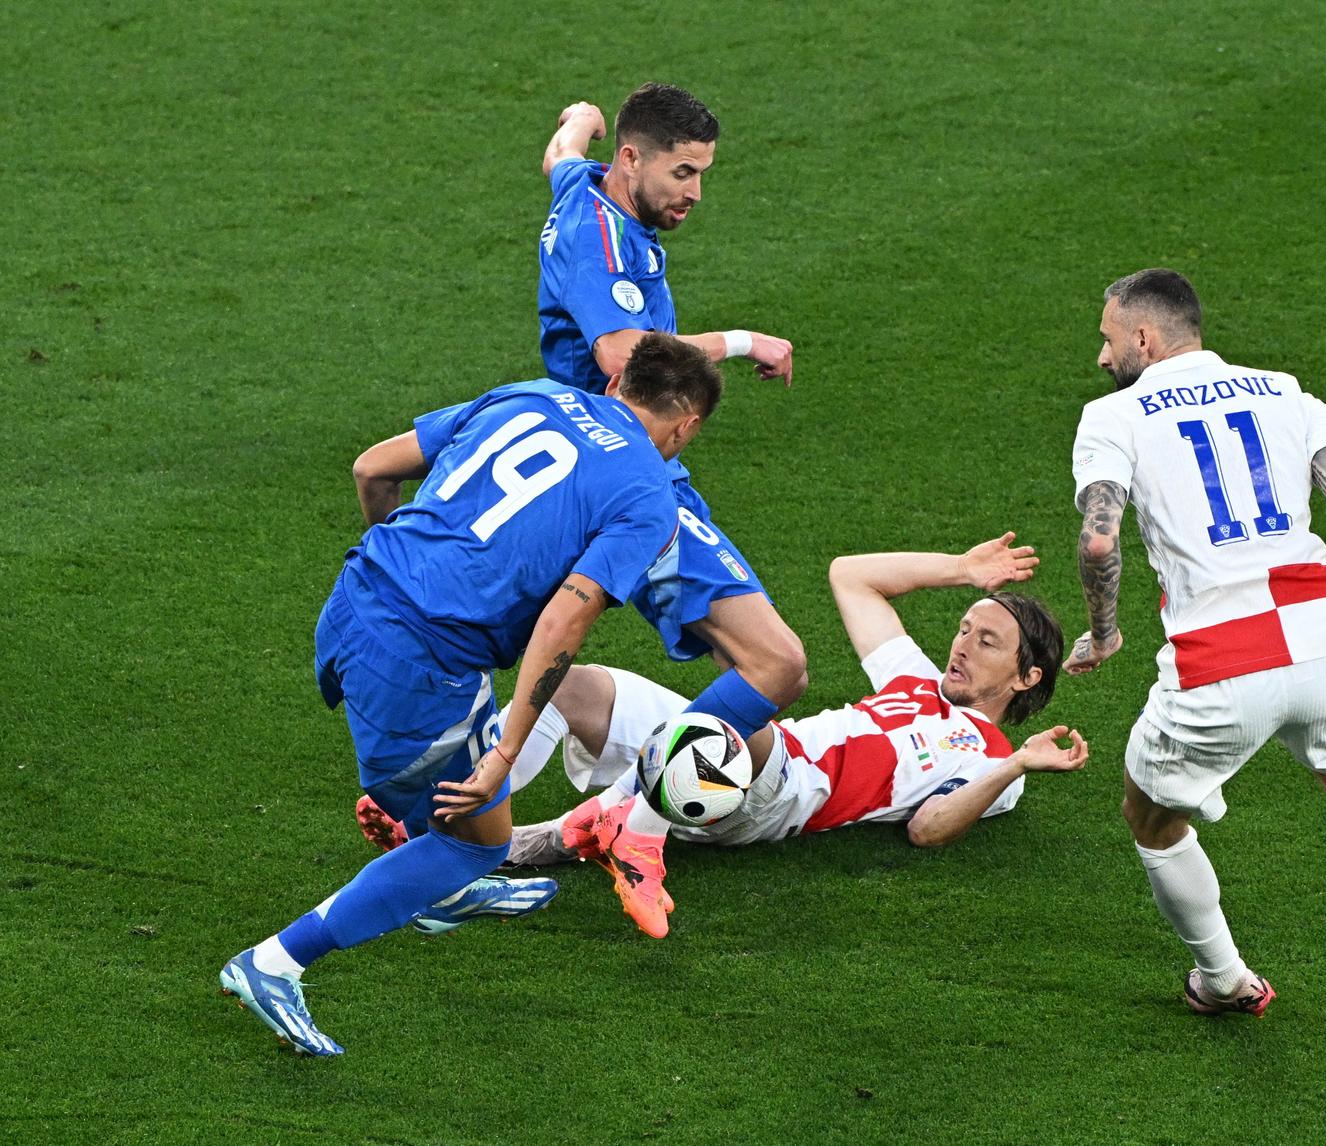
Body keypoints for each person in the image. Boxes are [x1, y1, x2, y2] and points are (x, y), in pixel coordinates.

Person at [219, 334, 724, 1056]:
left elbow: (373, 468)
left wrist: (403, 575)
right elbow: (563, 620)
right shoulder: (648, 497)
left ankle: (441, 890)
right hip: (419, 664)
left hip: (352, 599)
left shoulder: (535, 395)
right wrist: (510, 750)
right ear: (686, 427)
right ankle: (275, 962)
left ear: (616, 387)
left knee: (474, 803)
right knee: (474, 843)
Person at [1063, 268, 1326, 1044]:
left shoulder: (1112, 416)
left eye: (1108, 340)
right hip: (1321, 635)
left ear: (1144, 338)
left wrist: (1106, 631)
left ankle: (1224, 980)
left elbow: (1100, 536)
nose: (1102, 358)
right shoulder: (1285, 391)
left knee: (1149, 817)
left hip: (1218, 662)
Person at [358, 534, 1088, 938]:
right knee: (572, 684)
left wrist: (1017, 763)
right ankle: (460, 836)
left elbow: (929, 829)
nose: (961, 645)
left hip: (781, 793)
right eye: (964, 629)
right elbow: (849, 574)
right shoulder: (916, 681)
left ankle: (615, 829)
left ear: (1025, 680)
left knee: (741, 710)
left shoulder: (996, 761)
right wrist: (959, 570)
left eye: (987, 642)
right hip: (735, 757)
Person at [533, 82, 807, 910]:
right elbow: (622, 352)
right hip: (632, 473)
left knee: (736, 677)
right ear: (633, 159)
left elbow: (559, 161)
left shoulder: (583, 186)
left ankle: (438, 802)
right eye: (683, 173)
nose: (694, 193)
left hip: (583, 465)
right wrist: (743, 340)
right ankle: (634, 818)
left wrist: (571, 122)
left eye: (702, 174)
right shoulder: (604, 242)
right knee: (777, 664)